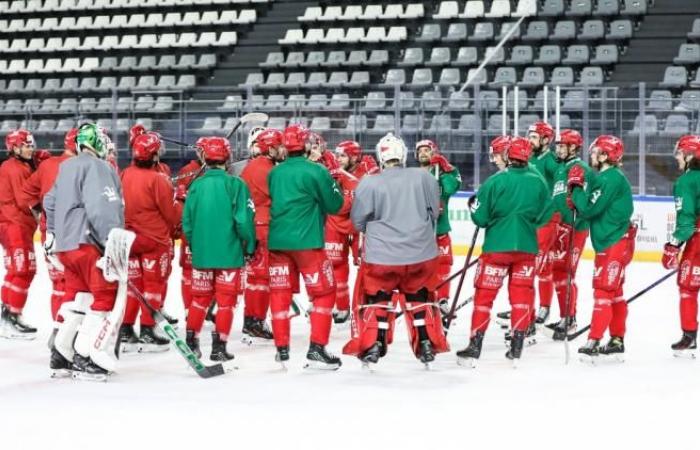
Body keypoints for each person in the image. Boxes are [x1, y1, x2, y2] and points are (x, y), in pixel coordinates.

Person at [343, 133, 447, 368]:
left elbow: (358, 221)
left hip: (381, 257)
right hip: (421, 254)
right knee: (419, 297)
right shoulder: (424, 177)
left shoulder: (369, 182)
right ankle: (426, 342)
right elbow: (434, 213)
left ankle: (374, 343)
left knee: (377, 299)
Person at [44, 123, 129, 380]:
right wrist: (109, 243)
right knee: (104, 299)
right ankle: (87, 355)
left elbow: (49, 202)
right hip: (89, 245)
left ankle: (62, 353)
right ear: (97, 143)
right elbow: (101, 208)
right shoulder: (99, 167)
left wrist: (53, 232)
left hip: (66, 247)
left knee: (77, 296)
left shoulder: (66, 166)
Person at [456, 137, 552, 366]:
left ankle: (475, 346)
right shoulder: (538, 182)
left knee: (484, 297)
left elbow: (480, 218)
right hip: (527, 248)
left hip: (497, 248)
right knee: (521, 297)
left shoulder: (495, 181)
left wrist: (473, 207)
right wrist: (529, 224)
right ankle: (516, 347)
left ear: (509, 156)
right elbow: (546, 213)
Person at [267, 124, 344, 369]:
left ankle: (281, 348)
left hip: (278, 242)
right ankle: (317, 348)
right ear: (307, 145)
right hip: (307, 243)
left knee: (280, 293)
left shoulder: (274, 173)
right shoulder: (316, 171)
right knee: (325, 292)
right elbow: (335, 205)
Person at [183, 136, 256, 361]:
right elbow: (243, 221)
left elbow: (187, 223)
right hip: (229, 254)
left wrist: (197, 247)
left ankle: (190, 341)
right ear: (228, 156)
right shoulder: (236, 184)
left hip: (202, 255)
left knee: (199, 300)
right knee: (226, 303)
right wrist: (250, 246)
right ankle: (219, 347)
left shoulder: (196, 185)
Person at [567, 135, 635, 361]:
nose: (591, 155)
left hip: (614, 242)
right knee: (614, 293)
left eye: (596, 152)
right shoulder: (606, 177)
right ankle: (616, 340)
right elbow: (587, 204)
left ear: (605, 155)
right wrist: (576, 196)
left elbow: (588, 210)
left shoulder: (610, 179)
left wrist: (575, 189)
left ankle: (593, 340)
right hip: (611, 242)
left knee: (603, 290)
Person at [118, 132, 183, 353]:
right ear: (154, 155)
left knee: (133, 287)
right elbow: (171, 214)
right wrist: (181, 201)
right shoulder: (158, 179)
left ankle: (126, 329)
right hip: (154, 241)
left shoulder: (125, 174)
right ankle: (147, 330)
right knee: (153, 287)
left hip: (130, 240)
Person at [19, 128, 78, 344]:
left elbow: (27, 192)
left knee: (58, 285)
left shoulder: (46, 165)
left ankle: (58, 330)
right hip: (74, 235)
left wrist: (39, 213)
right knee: (75, 285)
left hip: (49, 235)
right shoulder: (82, 167)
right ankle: (68, 335)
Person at [545, 129, 594, 340]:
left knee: (566, 273)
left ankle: (570, 319)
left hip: (575, 228)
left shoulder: (581, 168)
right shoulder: (560, 169)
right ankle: (565, 315)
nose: (559, 149)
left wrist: (575, 222)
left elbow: (586, 201)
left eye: (563, 146)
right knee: (557, 273)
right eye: (558, 145)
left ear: (574, 148)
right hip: (559, 228)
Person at [239, 128, 284, 342]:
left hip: (251, 228)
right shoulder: (272, 171)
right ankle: (255, 321)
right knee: (263, 279)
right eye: (279, 145)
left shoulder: (250, 168)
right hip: (266, 229)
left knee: (254, 278)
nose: (282, 149)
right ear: (270, 148)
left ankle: (251, 319)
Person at [662, 134, 700, 357]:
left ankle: (689, 336)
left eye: (680, 153)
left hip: (697, 243)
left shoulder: (686, 181)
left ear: (690, 156)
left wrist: (673, 245)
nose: (677, 157)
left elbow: (685, 222)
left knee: (688, 287)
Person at [415, 139, 461, 317]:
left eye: (427, 150)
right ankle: (420, 297)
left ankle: (442, 299)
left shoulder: (443, 176)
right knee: (419, 267)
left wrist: (445, 169)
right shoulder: (412, 176)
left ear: (434, 153)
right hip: (419, 233)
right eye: (421, 151)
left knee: (443, 264)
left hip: (440, 230)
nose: (423, 153)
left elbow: (451, 188)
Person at [0, 129, 39, 339]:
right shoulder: (15, 169)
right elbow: (25, 200)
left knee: (15, 271)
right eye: (26, 145)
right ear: (14, 147)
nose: (30, 148)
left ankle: (6, 314)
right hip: (15, 224)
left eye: (31, 145)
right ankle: (12, 316)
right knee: (24, 270)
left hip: (12, 224)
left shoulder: (17, 165)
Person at [319, 141, 360, 325]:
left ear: (354, 157)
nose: (339, 159)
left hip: (359, 228)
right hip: (335, 225)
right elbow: (336, 205)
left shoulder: (363, 174)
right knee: (335, 266)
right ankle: (342, 307)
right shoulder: (332, 174)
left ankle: (363, 306)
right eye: (338, 155)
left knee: (367, 269)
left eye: (343, 155)